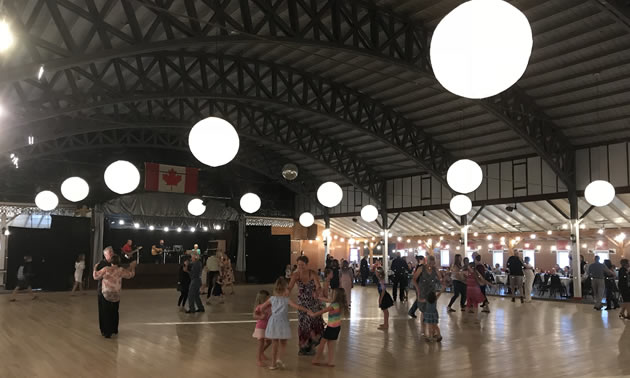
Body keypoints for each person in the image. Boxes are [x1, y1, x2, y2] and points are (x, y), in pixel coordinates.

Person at [257, 277, 309, 370]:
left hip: (273, 321)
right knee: (283, 342)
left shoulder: (272, 299)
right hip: (282, 322)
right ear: (285, 289)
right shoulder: (286, 300)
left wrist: (265, 313)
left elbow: (261, 307)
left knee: (275, 343)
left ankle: (273, 364)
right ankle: (279, 359)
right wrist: (307, 310)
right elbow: (297, 306)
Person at [288, 255, 325, 356]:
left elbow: (318, 286)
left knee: (313, 324)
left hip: (313, 303)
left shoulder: (312, 273)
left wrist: (317, 292)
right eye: (299, 265)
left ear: (307, 265)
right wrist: (283, 294)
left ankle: (311, 346)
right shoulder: (295, 275)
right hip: (302, 304)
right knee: (304, 325)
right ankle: (303, 347)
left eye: (302, 265)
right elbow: (289, 287)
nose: (300, 267)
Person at [92, 255, 136, 338]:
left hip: (106, 294)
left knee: (106, 312)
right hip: (116, 294)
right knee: (115, 312)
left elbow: (95, 277)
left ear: (111, 262)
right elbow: (131, 275)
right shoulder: (120, 270)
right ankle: (114, 329)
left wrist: (95, 268)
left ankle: (107, 332)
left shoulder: (106, 269)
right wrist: (132, 267)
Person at [309, 288, 349, 367]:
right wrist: (318, 298)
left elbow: (323, 311)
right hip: (337, 328)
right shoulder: (339, 304)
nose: (330, 295)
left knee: (322, 344)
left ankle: (316, 359)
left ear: (336, 296)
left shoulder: (333, 305)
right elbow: (327, 300)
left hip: (331, 328)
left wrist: (313, 314)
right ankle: (331, 361)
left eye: (332, 294)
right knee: (331, 345)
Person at [413, 255, 443, 325]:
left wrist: (443, 281)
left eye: (433, 264)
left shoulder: (435, 269)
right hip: (422, 290)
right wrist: (418, 289)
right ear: (427, 262)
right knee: (423, 310)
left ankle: (432, 327)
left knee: (431, 309)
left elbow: (441, 279)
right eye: (430, 263)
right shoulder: (421, 268)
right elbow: (414, 279)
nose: (431, 265)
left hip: (431, 291)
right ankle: (423, 330)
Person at [94, 247, 113, 335]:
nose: (112, 254)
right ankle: (104, 330)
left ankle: (111, 328)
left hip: (112, 291)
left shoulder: (114, 263)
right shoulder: (101, 264)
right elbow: (97, 276)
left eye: (112, 252)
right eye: (110, 253)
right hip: (102, 290)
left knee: (111, 310)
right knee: (103, 311)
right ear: (105, 255)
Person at [252, 290, 272, 367]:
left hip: (268, 327)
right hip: (260, 327)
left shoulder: (270, 306)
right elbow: (254, 316)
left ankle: (261, 353)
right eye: (267, 298)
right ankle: (258, 359)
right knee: (261, 343)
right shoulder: (259, 307)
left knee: (269, 342)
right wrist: (260, 317)